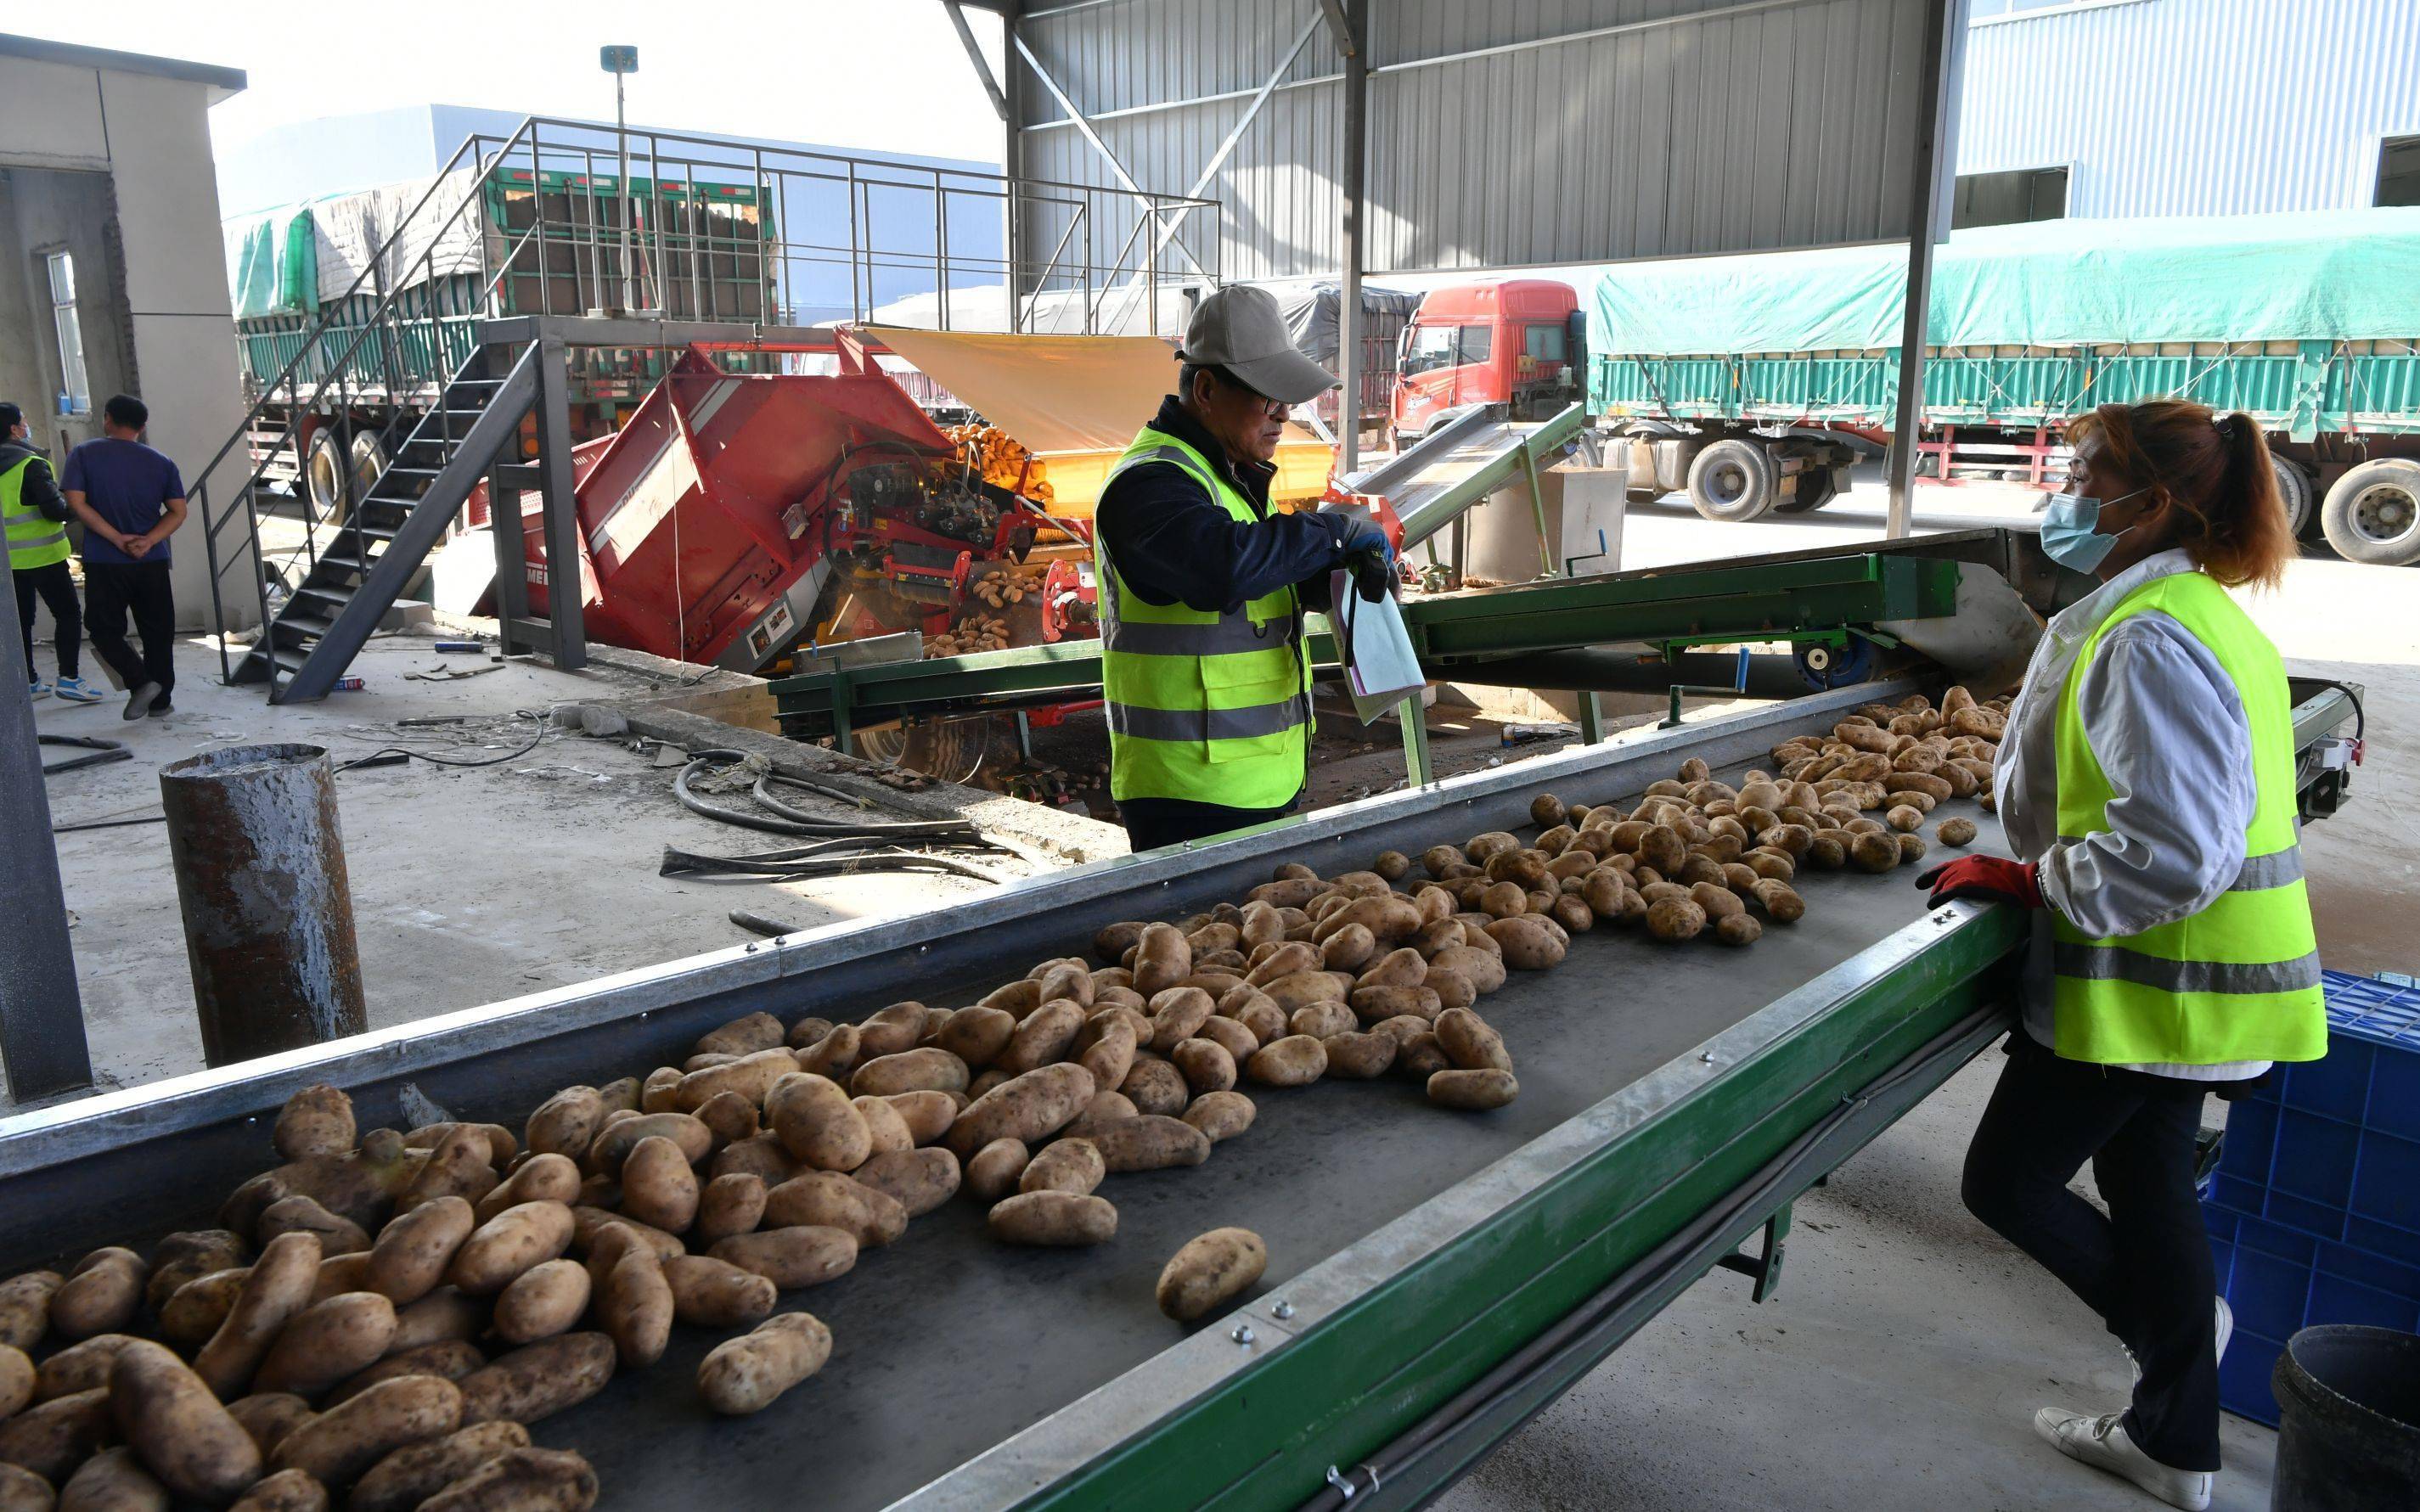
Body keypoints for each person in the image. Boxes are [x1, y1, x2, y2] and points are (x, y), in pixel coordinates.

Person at [1917, 399, 2325, 1511]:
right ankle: (2175, 1433)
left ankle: (2168, 1336)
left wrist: (2032, 879)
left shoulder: (2146, 635)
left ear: (2149, 504)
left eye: (2084, 471)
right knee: (2144, 1178)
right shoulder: (2192, 608)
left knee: (2004, 1179)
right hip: (2201, 982)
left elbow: (2172, 850)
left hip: (2167, 975)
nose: (2061, 489)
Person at [1093, 285, 1394, 852]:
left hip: (1259, 783)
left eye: (1288, 398)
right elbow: (1222, 569)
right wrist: (1332, 530)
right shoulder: (1148, 484)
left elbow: (1253, 588)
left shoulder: (1228, 475)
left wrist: (1336, 571)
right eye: (1268, 396)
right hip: (1189, 800)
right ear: (1206, 389)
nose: (1285, 413)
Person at [63, 393, 186, 720]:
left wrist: (117, 539)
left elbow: (75, 502)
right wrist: (148, 541)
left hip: (106, 559)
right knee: (158, 630)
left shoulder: (84, 454)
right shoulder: (162, 462)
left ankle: (140, 681)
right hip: (152, 560)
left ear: (107, 418)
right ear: (142, 427)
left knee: (103, 629)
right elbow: (178, 511)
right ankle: (160, 702)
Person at [3, 402, 104, 702]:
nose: (26, 425)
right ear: (13, 429)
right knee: (68, 614)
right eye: (23, 421)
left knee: (21, 620)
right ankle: (69, 678)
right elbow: (54, 511)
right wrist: (78, 504)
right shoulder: (30, 464)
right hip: (43, 557)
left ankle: (29, 682)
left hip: (8, 562)